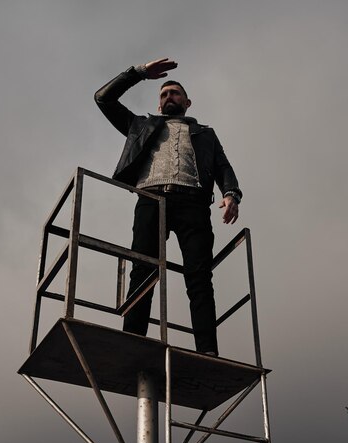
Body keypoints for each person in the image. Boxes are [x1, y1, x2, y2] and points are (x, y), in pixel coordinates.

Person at [94, 58, 242, 356]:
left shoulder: (205, 134)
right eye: (163, 95)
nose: (168, 97)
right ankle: (134, 338)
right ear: (159, 106)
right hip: (151, 200)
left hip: (193, 204)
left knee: (199, 276)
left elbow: (222, 166)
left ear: (187, 102)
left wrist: (231, 194)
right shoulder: (140, 126)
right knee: (143, 270)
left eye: (174, 93)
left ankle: (207, 350)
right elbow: (103, 98)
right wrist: (137, 74)